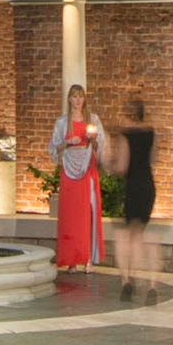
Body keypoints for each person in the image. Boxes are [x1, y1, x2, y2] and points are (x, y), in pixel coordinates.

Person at [49, 83, 105, 280]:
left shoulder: (93, 120)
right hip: (69, 170)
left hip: (87, 169)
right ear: (69, 100)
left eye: (80, 96)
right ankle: (71, 259)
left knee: (87, 213)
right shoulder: (62, 122)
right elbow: (53, 147)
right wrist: (67, 143)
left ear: (84, 100)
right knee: (71, 214)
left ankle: (88, 258)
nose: (77, 100)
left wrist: (92, 139)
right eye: (74, 96)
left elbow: (101, 147)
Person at [111, 91, 161, 303]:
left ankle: (127, 280)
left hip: (133, 186)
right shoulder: (151, 133)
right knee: (142, 232)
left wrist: (108, 164)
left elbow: (122, 166)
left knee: (128, 235)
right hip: (148, 185)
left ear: (127, 114)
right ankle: (151, 284)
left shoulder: (125, 135)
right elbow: (153, 158)